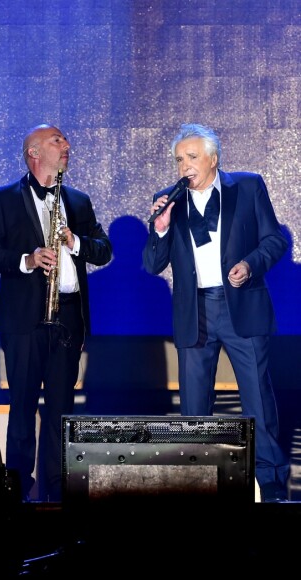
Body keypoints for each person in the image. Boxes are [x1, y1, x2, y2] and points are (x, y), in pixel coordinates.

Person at [142, 122, 290, 503]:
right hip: (195, 310)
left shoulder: (248, 186)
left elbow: (274, 239)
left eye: (192, 157)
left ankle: (269, 480)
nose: (184, 166)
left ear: (213, 159)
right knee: (194, 403)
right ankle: (198, 476)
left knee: (256, 396)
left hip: (240, 303)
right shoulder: (169, 200)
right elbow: (151, 265)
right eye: (179, 160)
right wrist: (159, 229)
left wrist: (250, 264)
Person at [0, 123, 112, 501]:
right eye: (57, 140)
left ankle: (57, 487)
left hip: (67, 317)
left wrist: (76, 241)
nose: (66, 144)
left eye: (65, 139)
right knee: (22, 405)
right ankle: (18, 488)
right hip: (24, 318)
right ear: (34, 152)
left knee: (61, 408)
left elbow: (103, 249)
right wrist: (28, 259)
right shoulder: (3, 198)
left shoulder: (79, 200)